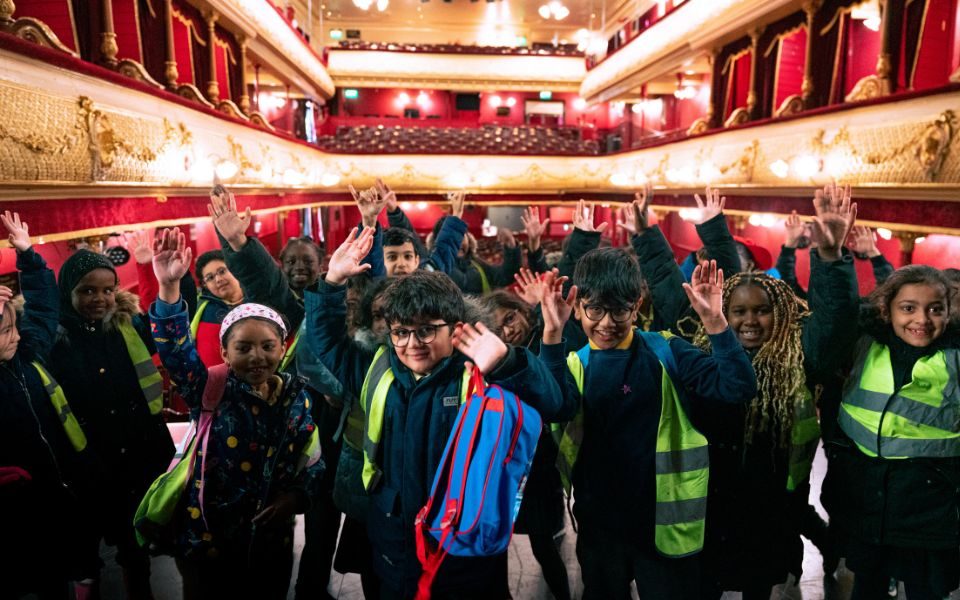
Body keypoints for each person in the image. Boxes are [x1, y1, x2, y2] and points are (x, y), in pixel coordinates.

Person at [304, 226, 571, 599]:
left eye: (426, 331)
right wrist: (331, 282)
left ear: (455, 328)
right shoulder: (378, 369)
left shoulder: (483, 373)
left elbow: (554, 405)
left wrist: (509, 362)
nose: (412, 344)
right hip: (393, 537)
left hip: (463, 543)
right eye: (401, 332)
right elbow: (327, 341)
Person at [540, 248, 757, 600]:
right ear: (577, 306)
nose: (607, 322)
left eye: (620, 310)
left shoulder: (666, 351)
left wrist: (716, 323)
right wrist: (551, 333)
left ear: (637, 304)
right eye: (595, 309)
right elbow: (548, 404)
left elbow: (739, 387)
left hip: (665, 529)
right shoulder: (574, 366)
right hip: (600, 527)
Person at [148, 228, 323, 599]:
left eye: (267, 346)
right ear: (225, 353)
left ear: (282, 348)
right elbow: (175, 351)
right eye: (244, 347)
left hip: (270, 534)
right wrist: (168, 289)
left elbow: (311, 461)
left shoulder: (296, 396)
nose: (257, 357)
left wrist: (294, 498)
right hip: (207, 531)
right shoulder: (209, 387)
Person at [807, 191, 960, 600]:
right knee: (866, 590)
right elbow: (832, 321)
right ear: (888, 310)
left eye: (935, 309)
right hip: (866, 504)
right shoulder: (864, 345)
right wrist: (830, 255)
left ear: (949, 312)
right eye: (908, 308)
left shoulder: (956, 358)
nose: (921, 320)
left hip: (929, 515)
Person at [693, 271, 833, 598]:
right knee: (705, 584)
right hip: (713, 507)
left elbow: (834, 319)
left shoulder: (800, 360)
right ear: (723, 313)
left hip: (770, 510)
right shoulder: (702, 361)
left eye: (762, 310)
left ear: (781, 312)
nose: (751, 320)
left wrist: (830, 260)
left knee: (759, 585)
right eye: (739, 311)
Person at [49, 245, 174, 599]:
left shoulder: (127, 325)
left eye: (107, 290)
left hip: (137, 455)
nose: (99, 299)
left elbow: (167, 323)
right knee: (85, 558)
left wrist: (167, 281)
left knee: (135, 548)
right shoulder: (54, 340)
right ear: (67, 291)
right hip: (86, 462)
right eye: (87, 290)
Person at [0, 211, 97, 599]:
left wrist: (28, 255)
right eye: (5, 330)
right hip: (15, 516)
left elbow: (42, 309)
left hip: (57, 492)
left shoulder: (26, 354)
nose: (15, 335)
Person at [481, 288, 571, 600]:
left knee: (544, 546)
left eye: (510, 317)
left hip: (540, 468)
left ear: (522, 310)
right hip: (503, 472)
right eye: (499, 329)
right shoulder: (490, 366)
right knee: (495, 552)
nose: (509, 329)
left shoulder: (546, 341)